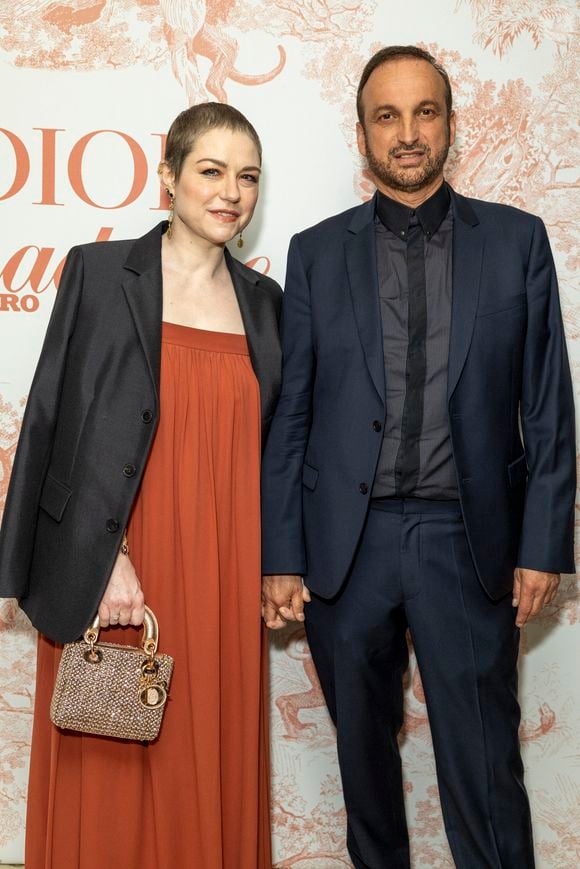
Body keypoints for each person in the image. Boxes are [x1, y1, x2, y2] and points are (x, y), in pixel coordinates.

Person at [260, 45, 575, 869]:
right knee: (364, 766)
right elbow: (290, 416)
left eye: (424, 112)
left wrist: (544, 543)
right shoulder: (315, 252)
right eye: (387, 115)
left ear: (450, 125)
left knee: (484, 766)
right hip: (346, 548)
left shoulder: (516, 242)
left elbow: (546, 404)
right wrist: (282, 552)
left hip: (467, 544)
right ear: (362, 131)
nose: (407, 133)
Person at [0, 102, 281, 869]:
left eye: (247, 176)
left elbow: (278, 451)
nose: (230, 192)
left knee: (206, 752)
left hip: (223, 572)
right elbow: (55, 418)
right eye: (211, 171)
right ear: (168, 177)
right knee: (112, 765)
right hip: (118, 565)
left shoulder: (268, 306)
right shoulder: (97, 273)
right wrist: (105, 558)